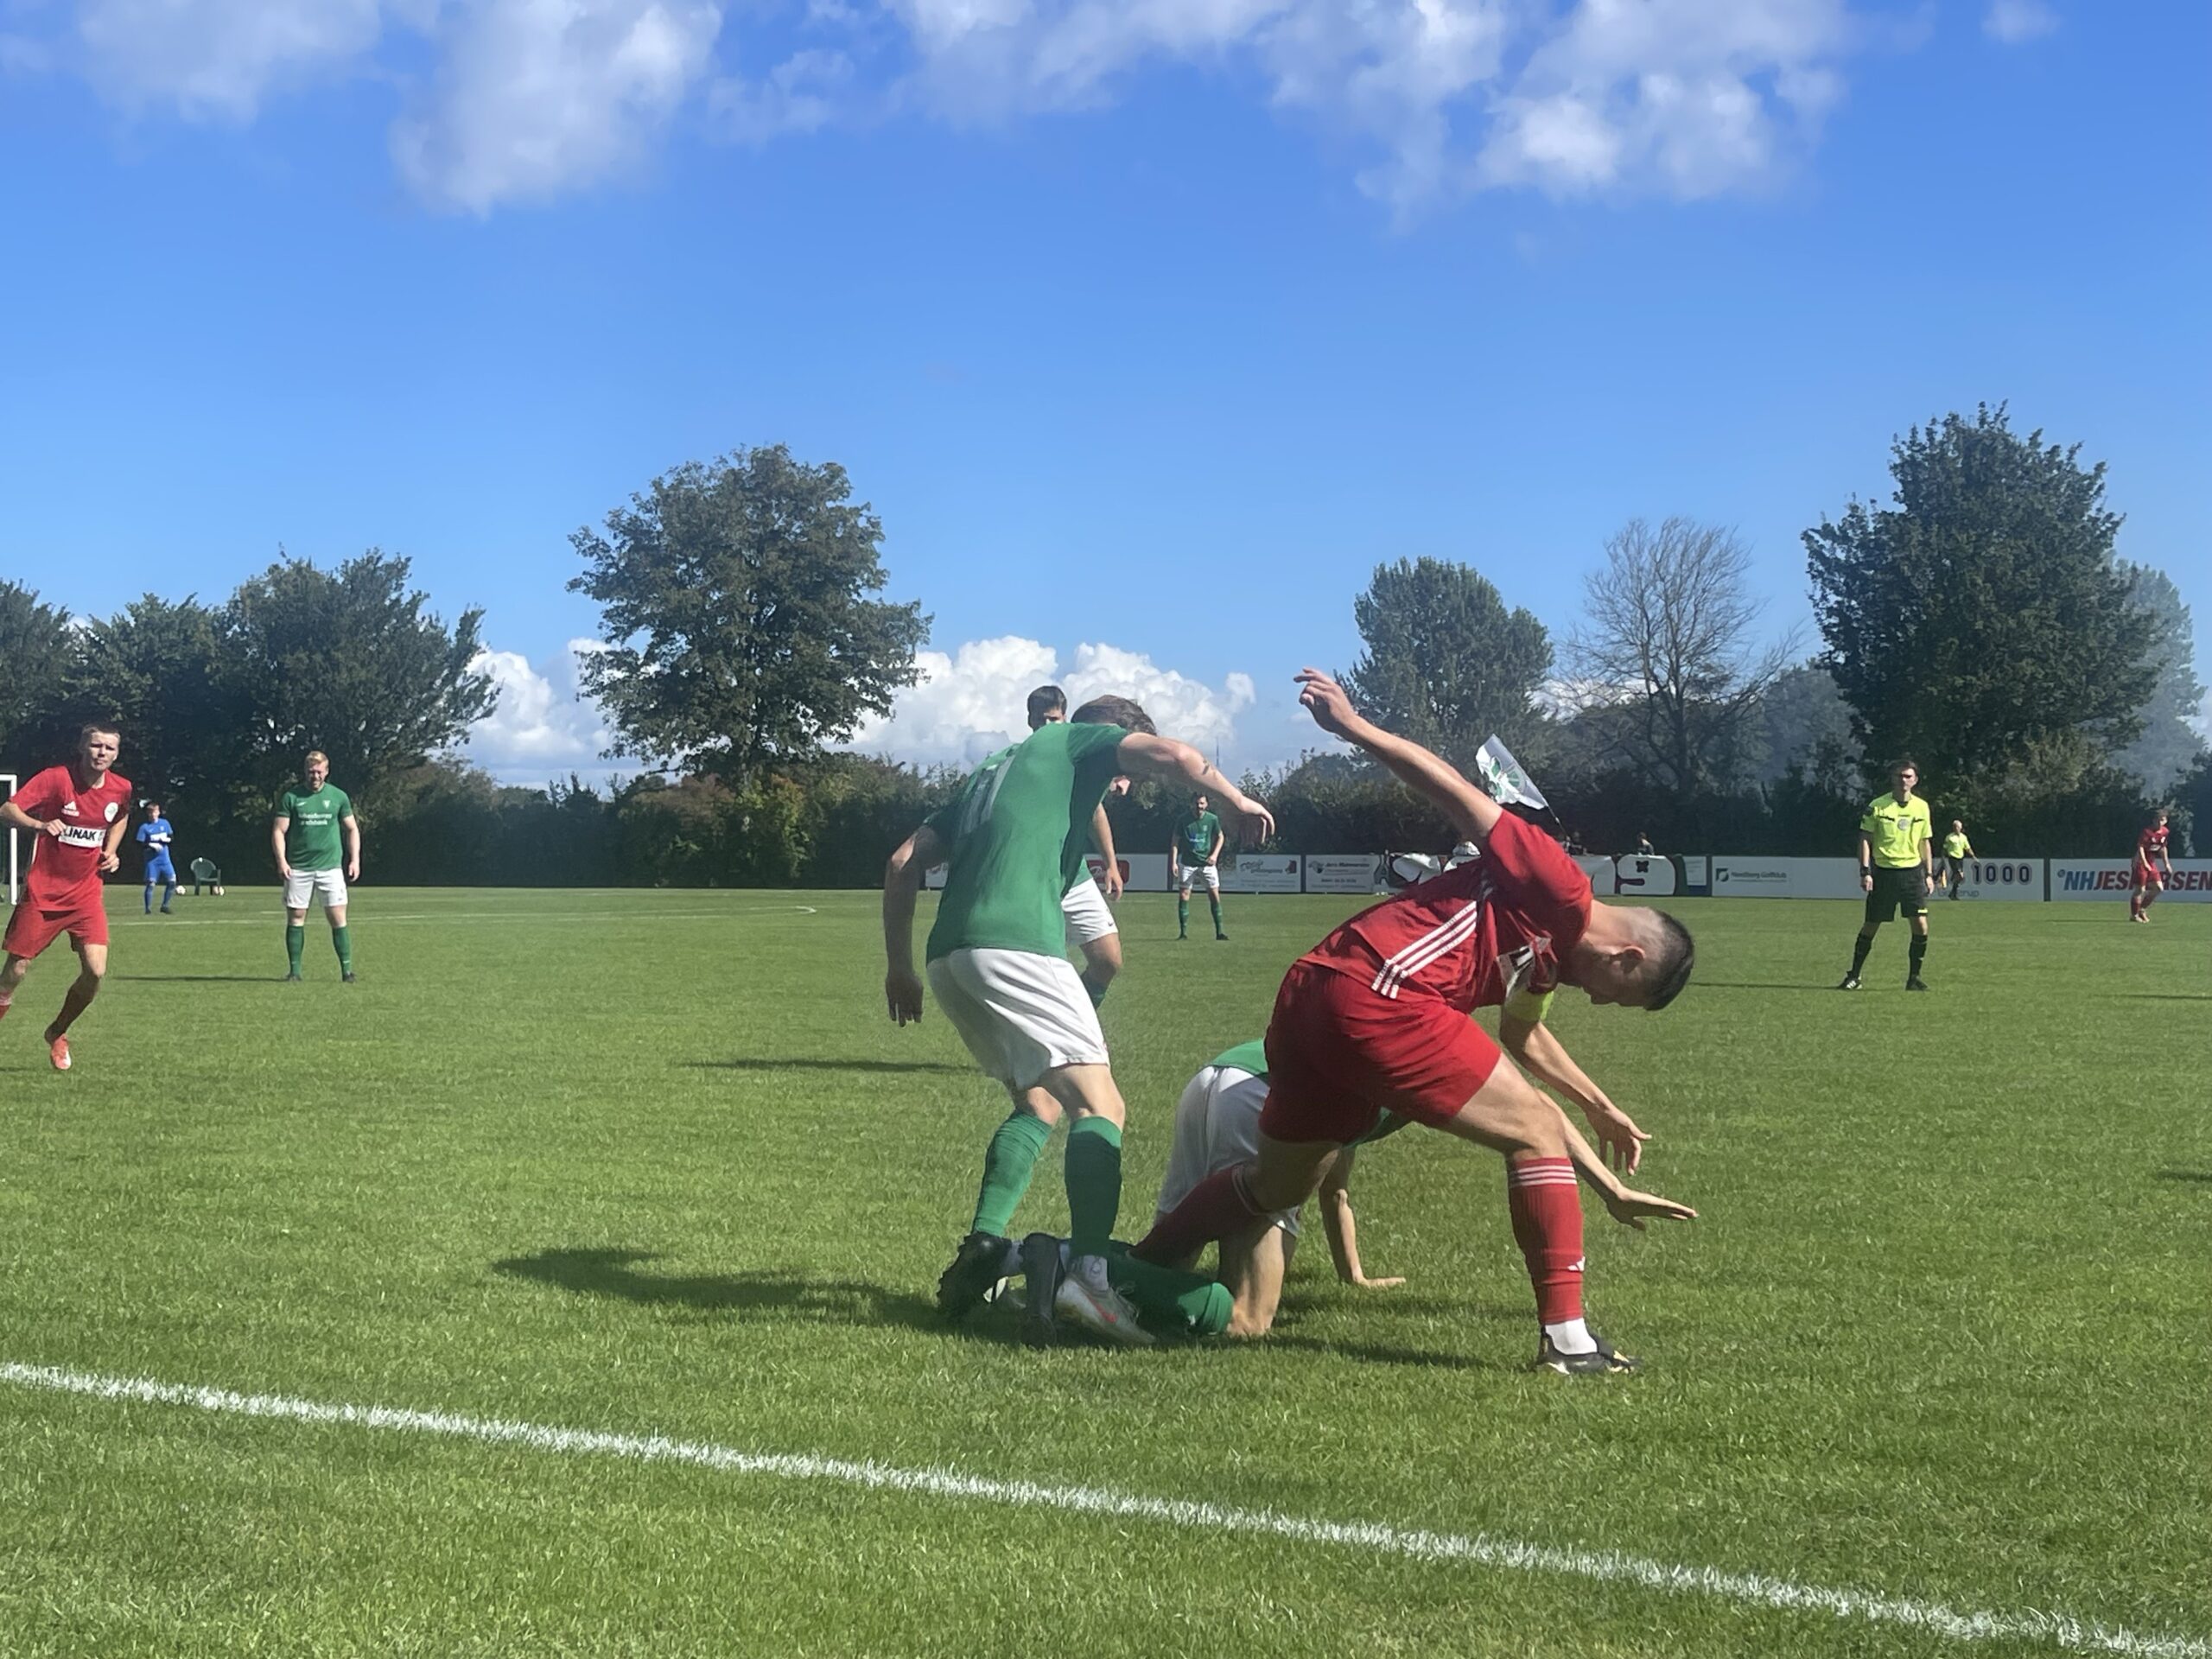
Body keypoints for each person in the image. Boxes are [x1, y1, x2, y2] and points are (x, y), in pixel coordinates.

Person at [1134, 671, 1697, 1376]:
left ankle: (1119, 1275)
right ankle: (1566, 1341)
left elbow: (1524, 1038)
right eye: (1622, 996)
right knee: (1534, 1131)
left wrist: (1600, 1106)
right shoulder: (1559, 885)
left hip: (1314, 995)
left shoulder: (1548, 964)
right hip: (1380, 991)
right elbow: (1453, 790)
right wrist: (1352, 727)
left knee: (1274, 1189)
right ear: (1628, 958)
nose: (1603, 1004)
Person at [884, 696, 1274, 1347]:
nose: (1125, 783)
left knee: (1039, 1102)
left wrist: (899, 968)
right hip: (1016, 945)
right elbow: (1177, 755)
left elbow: (902, 862)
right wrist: (1235, 801)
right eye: (1125, 771)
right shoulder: (1076, 741)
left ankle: (986, 1246)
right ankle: (1091, 1277)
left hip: (950, 959)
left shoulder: (990, 769)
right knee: (1102, 1105)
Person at [1149, 1039, 1407, 1339]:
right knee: (1248, 1321)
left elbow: (1335, 1192)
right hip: (1261, 1092)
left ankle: (1125, 1299)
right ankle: (1179, 1318)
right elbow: (1331, 1189)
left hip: (1211, 1078)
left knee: (1162, 1270)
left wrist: (1354, 1277)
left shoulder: (1371, 1070)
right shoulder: (1410, 1082)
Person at [0, 724, 133, 1071]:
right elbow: (7, 810)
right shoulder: (56, 779)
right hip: (43, 893)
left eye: (109, 748)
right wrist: (39, 825)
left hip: (86, 896)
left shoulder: (121, 788)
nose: (102, 753)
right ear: (81, 746)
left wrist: (111, 851)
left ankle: (57, 1032)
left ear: (116, 754)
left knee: (96, 971)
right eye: (96, 745)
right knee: (16, 969)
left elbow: (121, 816)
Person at [1026, 683, 1126, 1006]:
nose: (1047, 727)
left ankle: (1078, 1021)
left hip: (1073, 870)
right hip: (1030, 876)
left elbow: (1094, 810)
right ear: (1029, 721)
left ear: (1065, 718)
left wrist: (1111, 864)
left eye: (1054, 720)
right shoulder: (1021, 762)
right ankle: (1058, 1029)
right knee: (1044, 968)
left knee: (1108, 960)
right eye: (1040, 720)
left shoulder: (1077, 756)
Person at [1840, 761, 1934, 990]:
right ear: (1892, 779)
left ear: (1915, 780)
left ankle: (1914, 978)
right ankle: (1854, 976)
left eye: (1908, 776)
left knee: (1921, 925)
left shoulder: (1922, 807)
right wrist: (1865, 871)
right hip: (1884, 873)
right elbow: (1865, 839)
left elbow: (1925, 842)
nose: (1903, 780)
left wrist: (1929, 874)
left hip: (1912, 873)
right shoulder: (1877, 806)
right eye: (1899, 776)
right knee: (1871, 924)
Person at [273, 751, 361, 982]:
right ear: (305, 771)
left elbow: (352, 828)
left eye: (319, 772)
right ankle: (295, 972)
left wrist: (354, 859)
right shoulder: (292, 797)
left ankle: (347, 971)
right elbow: (279, 830)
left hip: (330, 868)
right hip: (299, 868)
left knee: (338, 917)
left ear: (327, 771)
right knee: (296, 916)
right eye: (311, 772)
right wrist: (282, 861)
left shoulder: (338, 796)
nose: (315, 776)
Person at [1172, 791, 1227, 940]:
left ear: (1206, 804)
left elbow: (1220, 836)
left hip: (1206, 864)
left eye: (1202, 803)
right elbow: (1175, 841)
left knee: (1214, 896)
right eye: (1196, 803)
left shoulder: (1212, 819)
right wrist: (1174, 862)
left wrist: (1214, 855)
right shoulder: (1183, 820)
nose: (1199, 806)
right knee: (1184, 895)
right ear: (1191, 804)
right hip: (1188, 863)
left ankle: (1220, 932)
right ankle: (1183, 933)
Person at [2130, 808, 2176, 923]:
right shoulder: (2147, 832)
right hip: (2140, 862)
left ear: (2166, 821)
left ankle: (2142, 909)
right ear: (2153, 820)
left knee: (2158, 888)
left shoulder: (2165, 832)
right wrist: (2144, 862)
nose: (2160, 822)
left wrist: (2167, 864)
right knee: (2140, 889)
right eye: (2157, 820)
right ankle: (2134, 915)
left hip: (2151, 862)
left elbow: (2163, 848)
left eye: (2162, 820)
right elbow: (2141, 847)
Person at [136, 803, 179, 914]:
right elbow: (140, 843)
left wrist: (167, 840)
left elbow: (171, 837)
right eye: (151, 812)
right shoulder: (145, 827)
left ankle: (165, 905)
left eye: (155, 812)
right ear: (148, 813)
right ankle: (148, 909)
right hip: (152, 860)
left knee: (172, 882)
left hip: (165, 859)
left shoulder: (165, 823)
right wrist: (151, 845)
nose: (153, 814)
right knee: (151, 884)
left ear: (158, 812)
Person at [1941, 820, 1975, 900]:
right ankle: (1953, 882)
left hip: (1960, 858)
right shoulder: (1949, 837)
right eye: (1955, 827)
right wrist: (1943, 856)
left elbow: (1967, 848)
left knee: (1959, 878)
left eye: (1958, 827)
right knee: (1960, 875)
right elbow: (1944, 848)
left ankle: (1953, 893)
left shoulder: (1963, 837)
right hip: (1953, 858)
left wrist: (1973, 856)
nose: (1957, 828)